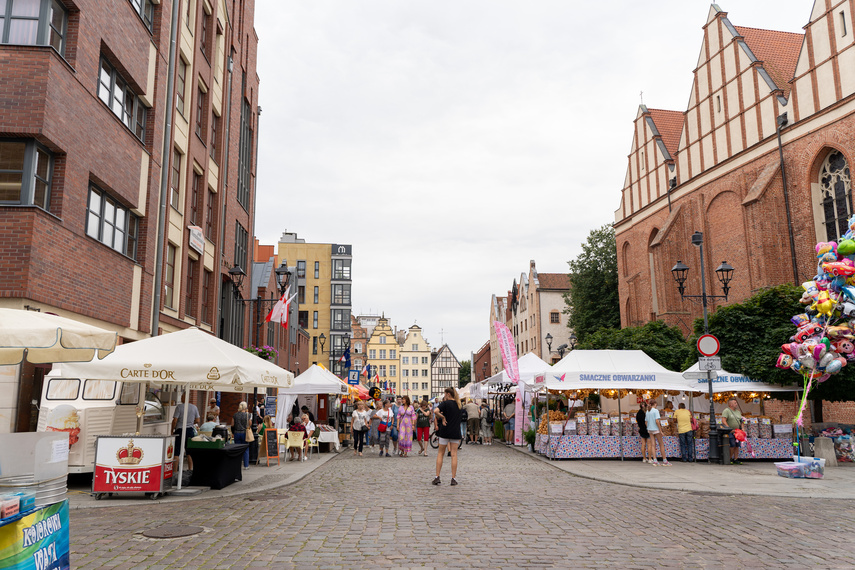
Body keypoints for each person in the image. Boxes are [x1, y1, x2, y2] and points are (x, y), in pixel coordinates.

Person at [432, 387, 462, 486]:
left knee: (441, 453)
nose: (444, 396)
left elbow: (435, 411)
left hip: (445, 431)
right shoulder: (459, 404)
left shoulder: (445, 403)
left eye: (445, 394)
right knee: (454, 455)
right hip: (455, 431)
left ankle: (437, 477)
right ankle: (453, 478)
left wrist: (443, 417)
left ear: (448, 394)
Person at [172, 399, 200, 471]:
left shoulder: (179, 407)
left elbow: (175, 420)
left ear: (182, 398)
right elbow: (197, 420)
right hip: (190, 430)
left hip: (180, 430)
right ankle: (190, 469)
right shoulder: (194, 407)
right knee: (189, 451)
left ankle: (175, 471)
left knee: (177, 451)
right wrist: (190, 423)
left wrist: (172, 430)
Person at [645, 400, 670, 466]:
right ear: (655, 404)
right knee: (661, 444)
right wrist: (660, 430)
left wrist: (649, 427)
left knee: (653, 444)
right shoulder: (656, 411)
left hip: (650, 429)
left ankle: (655, 460)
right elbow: (657, 421)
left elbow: (646, 422)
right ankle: (664, 460)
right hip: (656, 429)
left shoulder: (647, 411)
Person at [722, 397, 743, 465]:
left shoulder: (738, 412)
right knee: (732, 445)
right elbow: (723, 420)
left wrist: (743, 429)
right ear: (731, 404)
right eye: (735, 403)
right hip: (730, 432)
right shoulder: (726, 411)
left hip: (738, 432)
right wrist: (728, 428)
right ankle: (730, 458)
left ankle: (736, 459)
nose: (736, 404)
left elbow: (741, 421)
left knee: (737, 445)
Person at [232, 401, 252, 469]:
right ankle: (246, 465)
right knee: (246, 449)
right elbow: (250, 424)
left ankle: (237, 464)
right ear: (245, 407)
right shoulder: (247, 414)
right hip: (244, 433)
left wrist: (233, 432)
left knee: (237, 449)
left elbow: (232, 424)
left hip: (236, 433)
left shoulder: (235, 415)